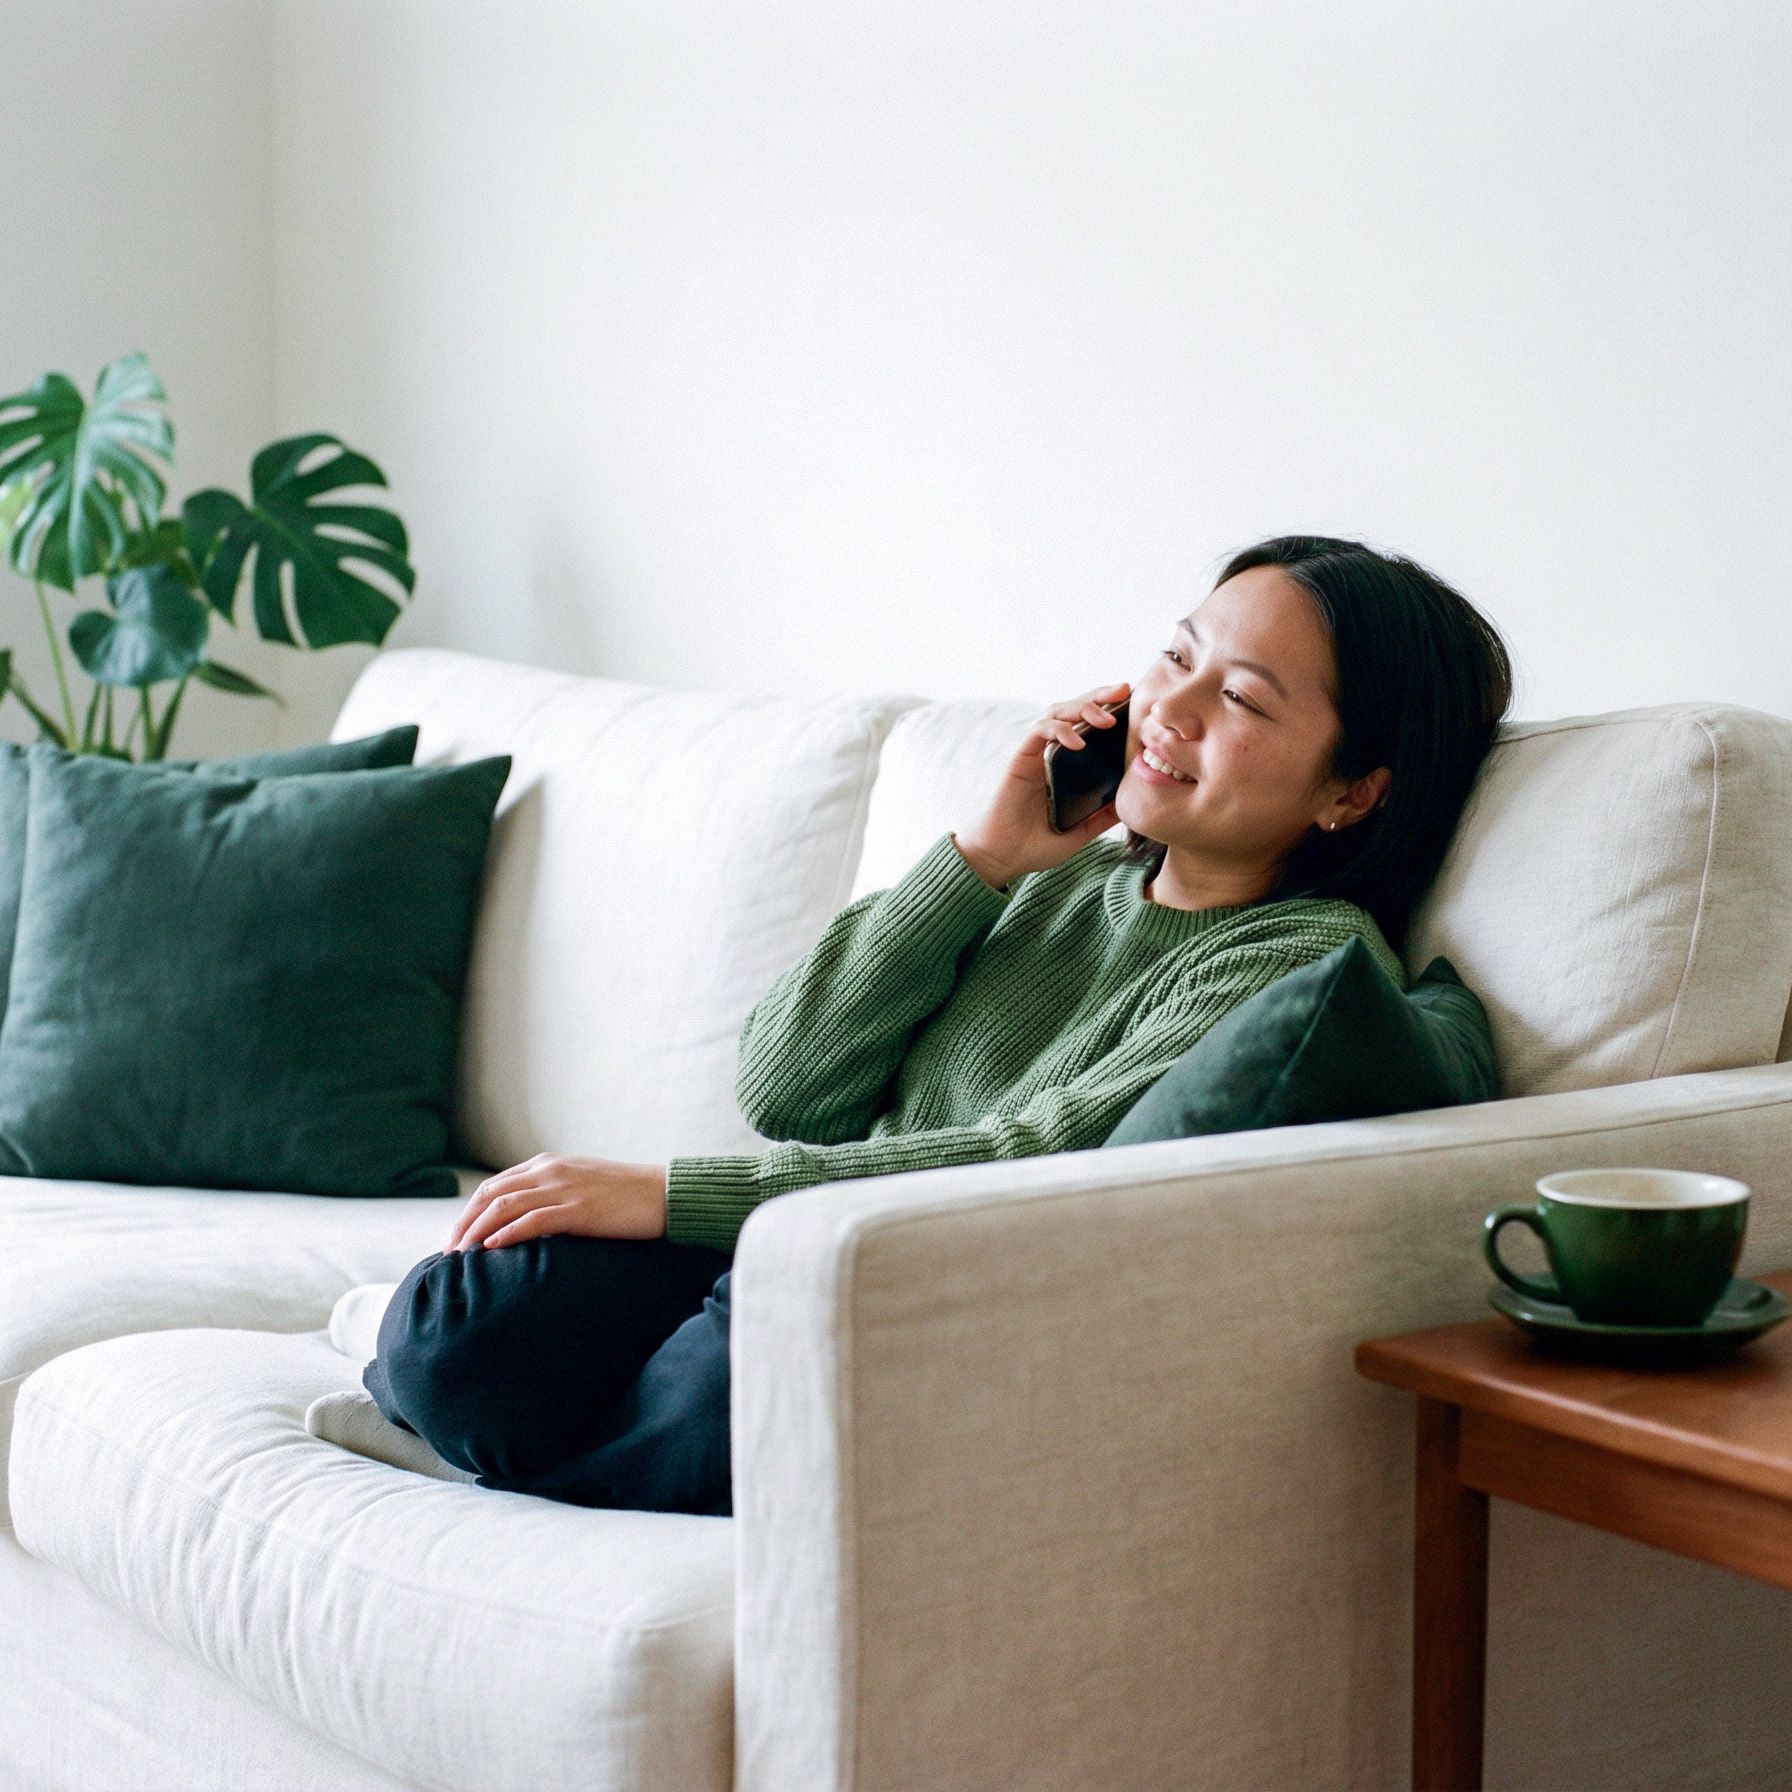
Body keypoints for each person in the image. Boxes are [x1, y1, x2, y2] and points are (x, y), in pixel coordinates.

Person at [362, 533, 1515, 1515]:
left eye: (1244, 698)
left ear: (1351, 790)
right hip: (784, 1242)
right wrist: (981, 859)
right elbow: (787, 1087)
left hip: (904, 1298)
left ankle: (503, 1440)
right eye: (1177, 655)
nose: (1171, 708)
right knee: (456, 1324)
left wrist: (667, 1192)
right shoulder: (1063, 878)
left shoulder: (1299, 954)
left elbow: (1035, 1157)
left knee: (723, 1369)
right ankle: (506, 1422)